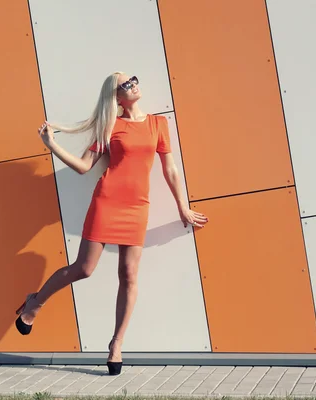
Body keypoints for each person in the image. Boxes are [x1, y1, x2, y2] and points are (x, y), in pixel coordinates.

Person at [14, 71, 209, 375]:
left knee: (129, 275)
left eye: (133, 78)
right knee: (84, 269)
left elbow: (169, 169)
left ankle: (116, 344)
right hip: (107, 202)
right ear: (116, 97)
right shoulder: (110, 127)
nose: (133, 84)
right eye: (125, 84)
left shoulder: (159, 124)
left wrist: (182, 207)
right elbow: (84, 167)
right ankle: (34, 303)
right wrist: (51, 145)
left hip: (137, 207)